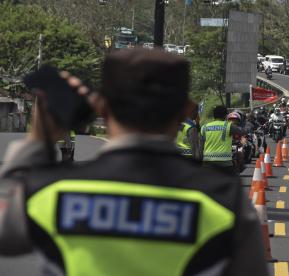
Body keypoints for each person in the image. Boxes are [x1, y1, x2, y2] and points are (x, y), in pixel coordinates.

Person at [0, 49, 268, 276]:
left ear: (101, 107)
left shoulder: (51, 191)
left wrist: (38, 139)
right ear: (187, 111)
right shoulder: (226, 202)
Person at [201, 106, 245, 174]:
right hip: (225, 162)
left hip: (208, 161)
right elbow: (241, 132)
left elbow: (201, 144)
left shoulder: (204, 127)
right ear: (225, 116)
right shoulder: (228, 126)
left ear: (214, 115)